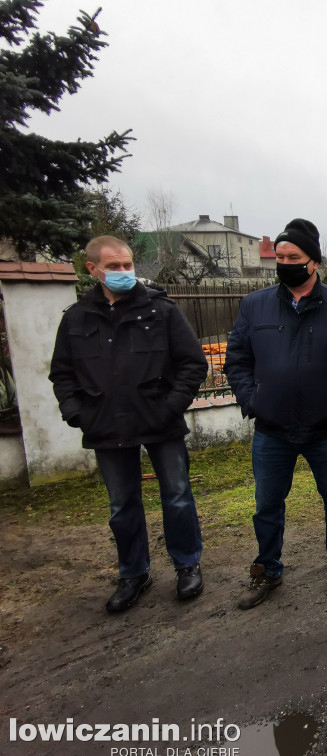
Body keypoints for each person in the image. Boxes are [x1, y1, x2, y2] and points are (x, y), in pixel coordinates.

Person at [49, 235, 208, 612]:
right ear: (93, 269)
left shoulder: (161, 310)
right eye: (114, 266)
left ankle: (188, 565)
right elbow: (62, 374)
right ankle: (133, 573)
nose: (123, 272)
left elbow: (192, 363)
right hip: (107, 427)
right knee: (122, 505)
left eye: (127, 265)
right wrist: (78, 413)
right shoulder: (76, 318)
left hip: (160, 422)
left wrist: (170, 406)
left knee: (178, 496)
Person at [225, 218, 327, 609]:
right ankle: (267, 570)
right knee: (266, 506)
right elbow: (237, 360)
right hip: (271, 430)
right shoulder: (254, 305)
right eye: (280, 256)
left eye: (294, 256)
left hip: (326, 429)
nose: (284, 262)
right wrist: (251, 400)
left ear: (314, 262)